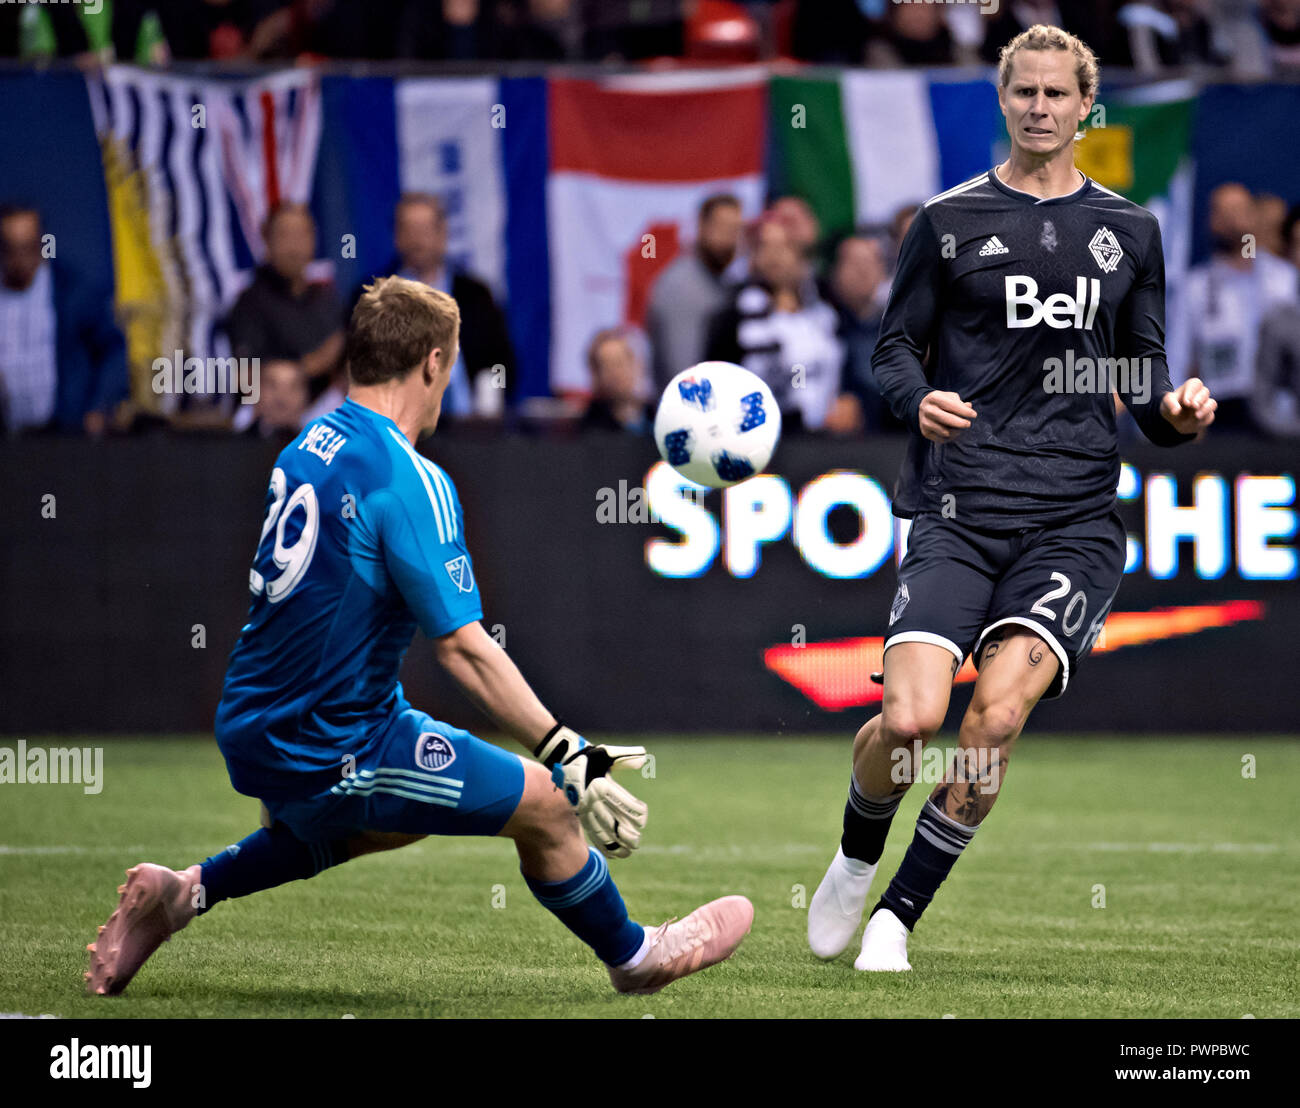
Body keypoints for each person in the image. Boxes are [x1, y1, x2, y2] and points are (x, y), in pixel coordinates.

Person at [86, 277, 752, 998]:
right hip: (330, 741)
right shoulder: (408, 479)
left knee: (403, 819)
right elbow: (462, 646)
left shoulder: (310, 443)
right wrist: (567, 751)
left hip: (255, 721)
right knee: (551, 805)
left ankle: (186, 893)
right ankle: (637, 956)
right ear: (433, 363)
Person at [806, 25, 1216, 973]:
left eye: (1055, 94)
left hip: (1071, 521)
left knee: (992, 720)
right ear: (1004, 101)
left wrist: (1177, 412)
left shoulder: (1132, 233)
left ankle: (896, 918)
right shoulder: (944, 222)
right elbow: (892, 349)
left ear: (1086, 107)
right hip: (957, 509)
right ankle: (854, 856)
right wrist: (920, 399)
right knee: (908, 724)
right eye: (1023, 92)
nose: (1039, 107)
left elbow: (1142, 378)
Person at [1166, 183, 1298, 431]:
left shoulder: (1285, 280)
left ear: (1254, 217)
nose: (1233, 219)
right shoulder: (1195, 288)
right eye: (1223, 211)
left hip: (1282, 410)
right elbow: (1177, 357)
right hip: (1223, 409)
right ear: (1211, 221)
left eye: (1240, 209)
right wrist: (1180, 419)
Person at [705, 214, 843, 433]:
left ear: (801, 256)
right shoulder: (731, 319)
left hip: (823, 440)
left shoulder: (828, 310)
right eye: (765, 247)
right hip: (758, 438)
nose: (774, 256)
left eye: (785, 247)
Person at [0, 204, 127, 436]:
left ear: (41, 243)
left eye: (29, 248)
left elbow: (113, 351)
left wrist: (99, 407)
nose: (21, 259)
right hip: (7, 441)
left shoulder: (72, 292)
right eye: (12, 249)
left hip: (65, 439)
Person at [226, 202, 345, 408]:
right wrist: (312, 364)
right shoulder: (250, 303)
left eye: (301, 235)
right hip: (271, 425)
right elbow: (245, 377)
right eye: (284, 236)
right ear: (267, 240)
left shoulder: (326, 299)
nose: (294, 246)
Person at [645, 193, 742, 392]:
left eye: (734, 230)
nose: (728, 240)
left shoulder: (725, 283)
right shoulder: (681, 287)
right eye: (721, 228)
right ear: (701, 226)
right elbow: (685, 375)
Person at [581, 327, 653, 433]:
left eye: (620, 363)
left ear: (637, 365)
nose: (615, 373)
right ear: (596, 376)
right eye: (607, 366)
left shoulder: (658, 415)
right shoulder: (590, 429)